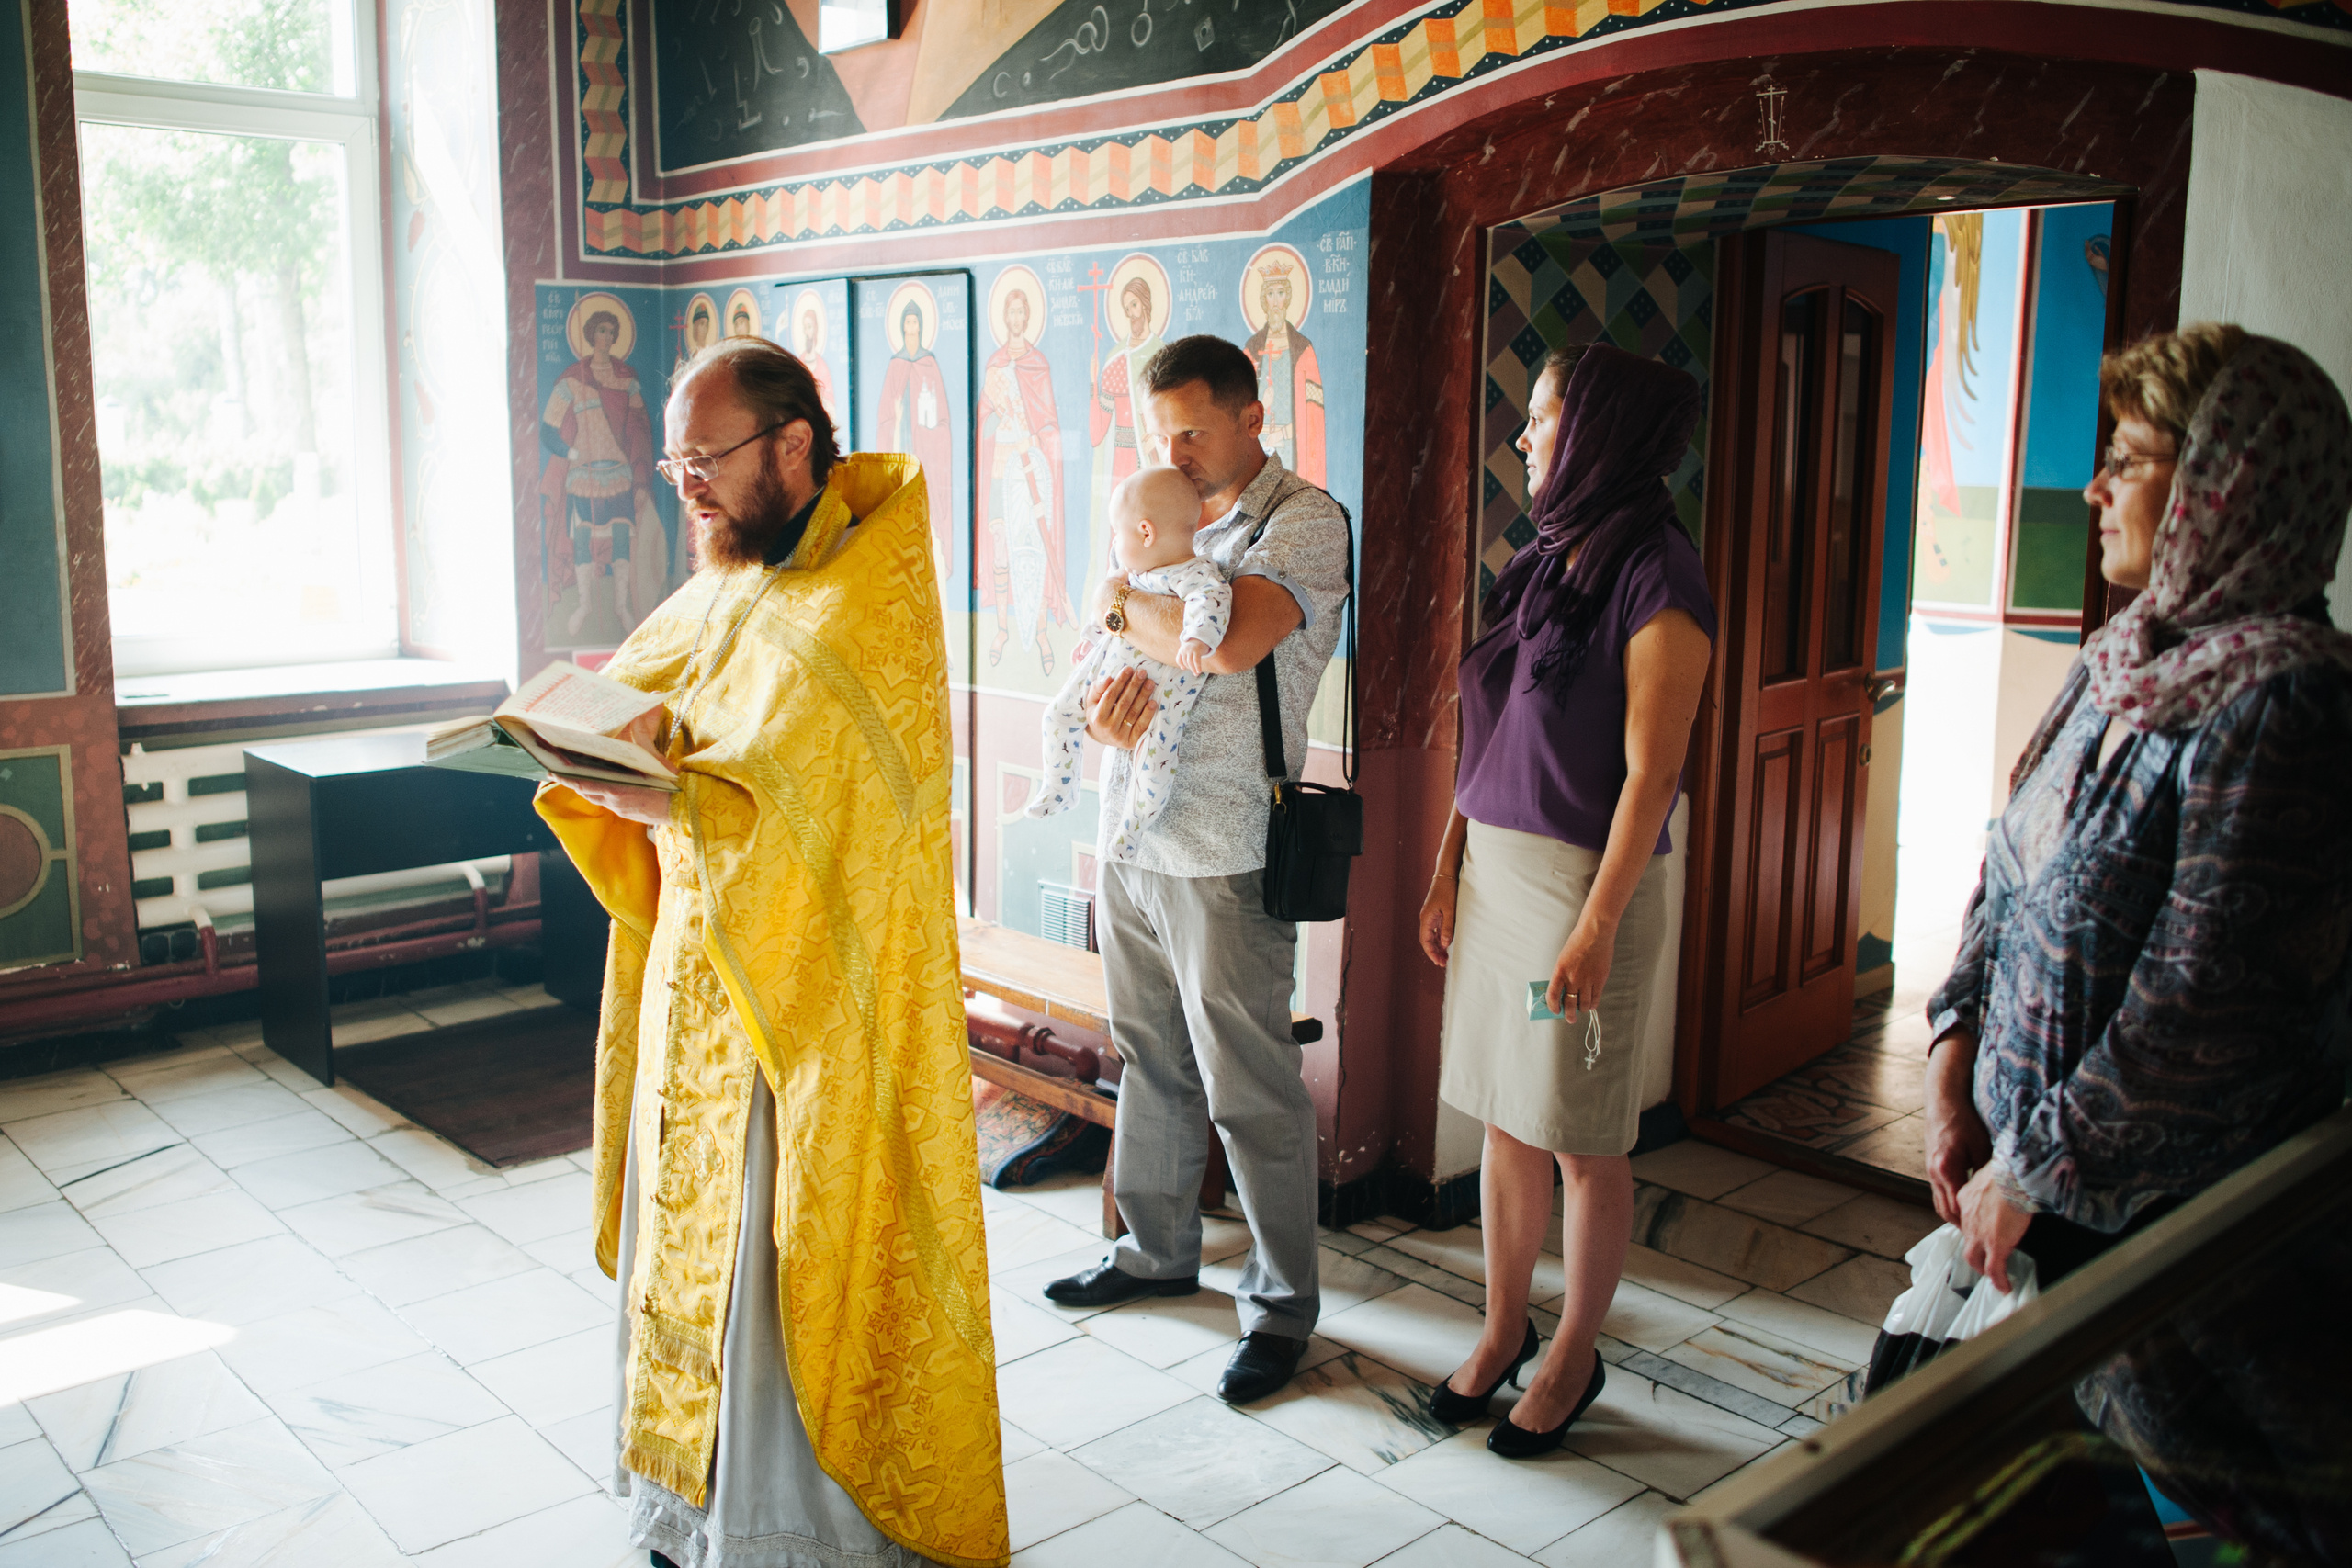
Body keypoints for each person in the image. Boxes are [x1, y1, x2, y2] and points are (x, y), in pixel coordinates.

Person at [536, 337, 1011, 1568]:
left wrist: (671, 798)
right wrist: (596, 736)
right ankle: (684, 1513)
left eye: (706, 460)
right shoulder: (730, 574)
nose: (685, 486)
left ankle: (787, 1527)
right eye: (673, 463)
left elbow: (804, 793)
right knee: (686, 1246)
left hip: (801, 1006)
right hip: (701, 966)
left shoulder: (865, 584)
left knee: (770, 1250)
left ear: (793, 445)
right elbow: (662, 701)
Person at [1921, 326, 2352, 1557]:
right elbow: (2001, 877)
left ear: (2230, 482)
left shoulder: (2288, 700)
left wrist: (2032, 1163)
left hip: (2179, 1284)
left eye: (2132, 456)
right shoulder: (2117, 664)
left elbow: (2203, 1002)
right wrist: (1953, 1070)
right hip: (2040, 1228)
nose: (2095, 488)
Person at [1417, 342, 1714, 1459]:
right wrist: (1450, 861)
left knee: (1581, 1138)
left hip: (1579, 896)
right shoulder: (1546, 555)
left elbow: (1653, 770)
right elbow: (1488, 728)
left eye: (1543, 418)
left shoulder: (1657, 573)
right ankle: (1501, 1331)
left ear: (1596, 429)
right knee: (1503, 1114)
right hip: (1499, 880)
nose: (1525, 436)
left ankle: (1571, 1358)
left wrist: (1593, 927)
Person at [1043, 334, 1350, 1405]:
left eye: (1190, 427)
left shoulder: (1302, 522)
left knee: (1249, 1085)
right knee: (1147, 1058)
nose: (1169, 446)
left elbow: (1223, 645)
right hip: (1130, 828)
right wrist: (1108, 682)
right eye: (1157, 426)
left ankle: (1278, 1309)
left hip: (1226, 844)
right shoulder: (1154, 509)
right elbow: (1105, 636)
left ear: (1251, 418)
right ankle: (1153, 1252)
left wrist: (1121, 603)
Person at [1027, 465, 1227, 861]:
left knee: (1152, 770)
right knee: (1057, 715)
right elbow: (1104, 615)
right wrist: (1090, 640)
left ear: (1146, 532)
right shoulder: (1131, 576)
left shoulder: (1195, 573)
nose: (1115, 544)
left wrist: (1197, 637)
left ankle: (1132, 828)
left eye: (1117, 534)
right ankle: (1059, 786)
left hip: (1163, 698)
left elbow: (1211, 602)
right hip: (1103, 666)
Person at [540, 309, 656, 639]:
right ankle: (585, 605)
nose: (606, 337)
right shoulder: (572, 381)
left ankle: (620, 607)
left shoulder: (626, 380)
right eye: (601, 331)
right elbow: (548, 431)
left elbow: (639, 432)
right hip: (583, 473)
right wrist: (570, 453)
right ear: (591, 335)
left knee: (620, 536)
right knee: (581, 538)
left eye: (611, 331)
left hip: (618, 471)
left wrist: (641, 478)